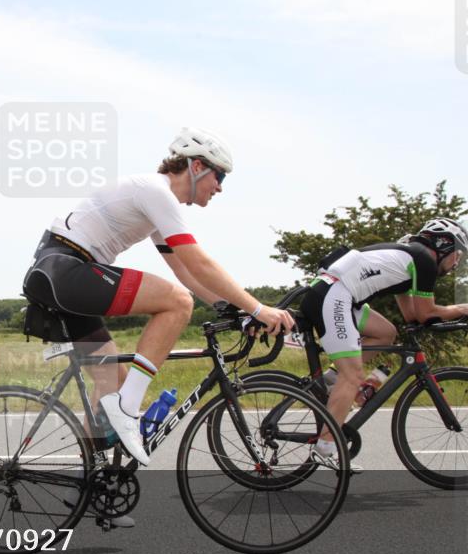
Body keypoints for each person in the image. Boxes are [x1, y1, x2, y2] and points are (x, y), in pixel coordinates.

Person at [22, 127, 295, 469]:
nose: (221, 187)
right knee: (178, 303)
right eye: (219, 175)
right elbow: (199, 262)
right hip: (65, 269)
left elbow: (185, 270)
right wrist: (258, 308)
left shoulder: (153, 201)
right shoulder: (156, 191)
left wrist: (235, 310)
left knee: (113, 381)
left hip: (60, 274)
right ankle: (127, 409)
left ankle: (93, 479)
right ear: (196, 167)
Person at [299, 217, 468, 469]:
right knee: (354, 376)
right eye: (457, 254)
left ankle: (331, 381)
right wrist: (464, 308)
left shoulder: (410, 258)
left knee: (386, 333)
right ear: (444, 244)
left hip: (336, 294)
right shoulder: (423, 260)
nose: (457, 262)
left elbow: (412, 316)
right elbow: (427, 313)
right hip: (335, 295)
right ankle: (325, 448)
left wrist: (442, 316)